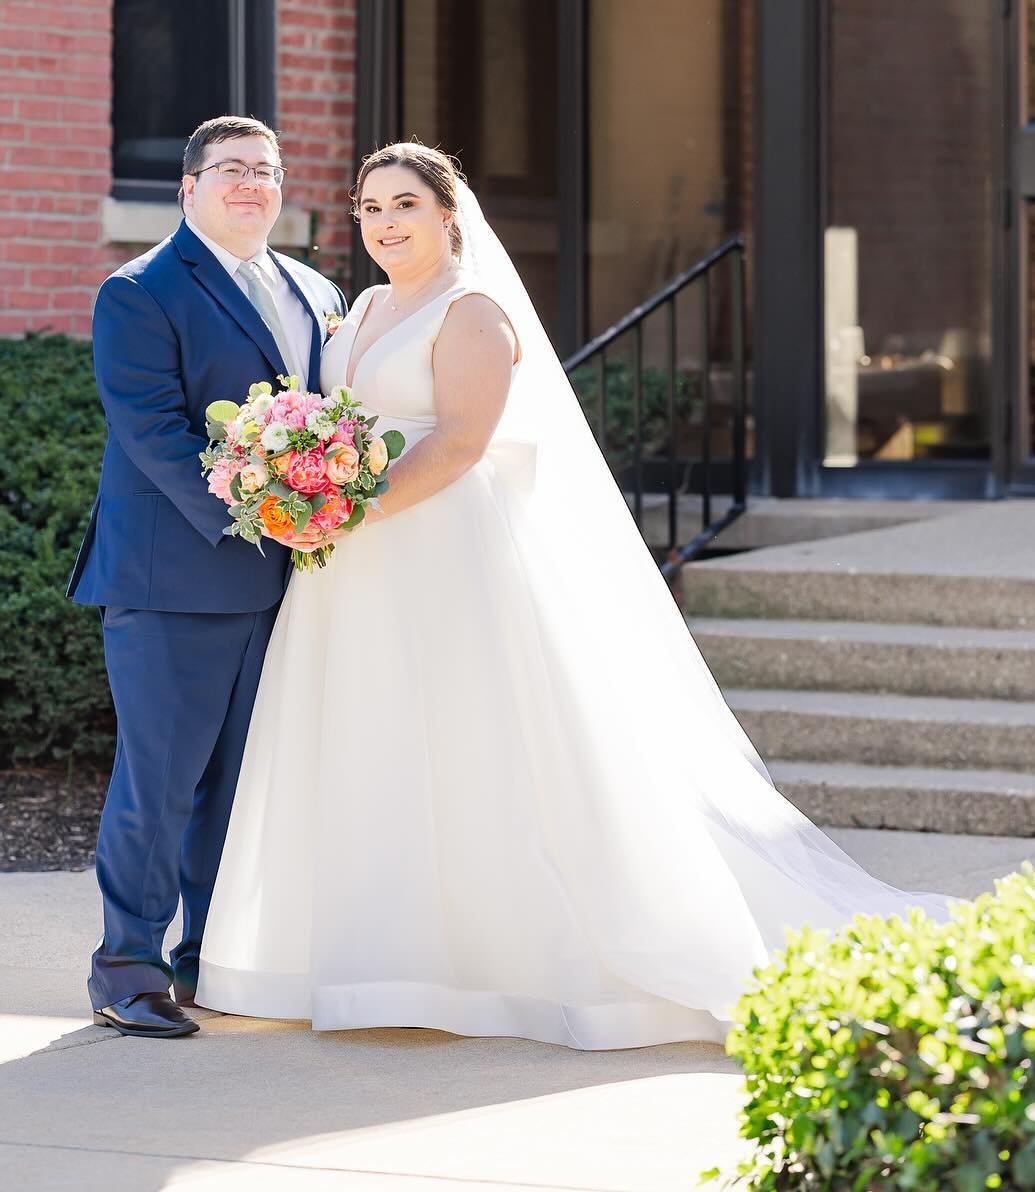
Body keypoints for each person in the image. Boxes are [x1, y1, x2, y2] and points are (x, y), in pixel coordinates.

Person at [194, 141, 948, 1050]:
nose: (386, 223)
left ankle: (487, 966)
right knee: (370, 736)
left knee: (466, 741)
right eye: (370, 208)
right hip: (353, 571)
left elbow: (461, 442)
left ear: (447, 214)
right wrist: (300, 495)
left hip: (438, 550)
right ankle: (374, 963)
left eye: (405, 205)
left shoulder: (474, 314)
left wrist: (348, 516)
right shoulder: (354, 313)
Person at [69, 115, 345, 1039]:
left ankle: (207, 958)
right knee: (163, 781)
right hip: (173, 579)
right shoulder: (140, 291)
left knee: (240, 786)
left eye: (265, 170)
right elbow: (152, 433)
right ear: (188, 188)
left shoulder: (314, 289)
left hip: (287, 584)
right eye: (229, 169)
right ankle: (127, 967)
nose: (250, 184)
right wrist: (267, 513)